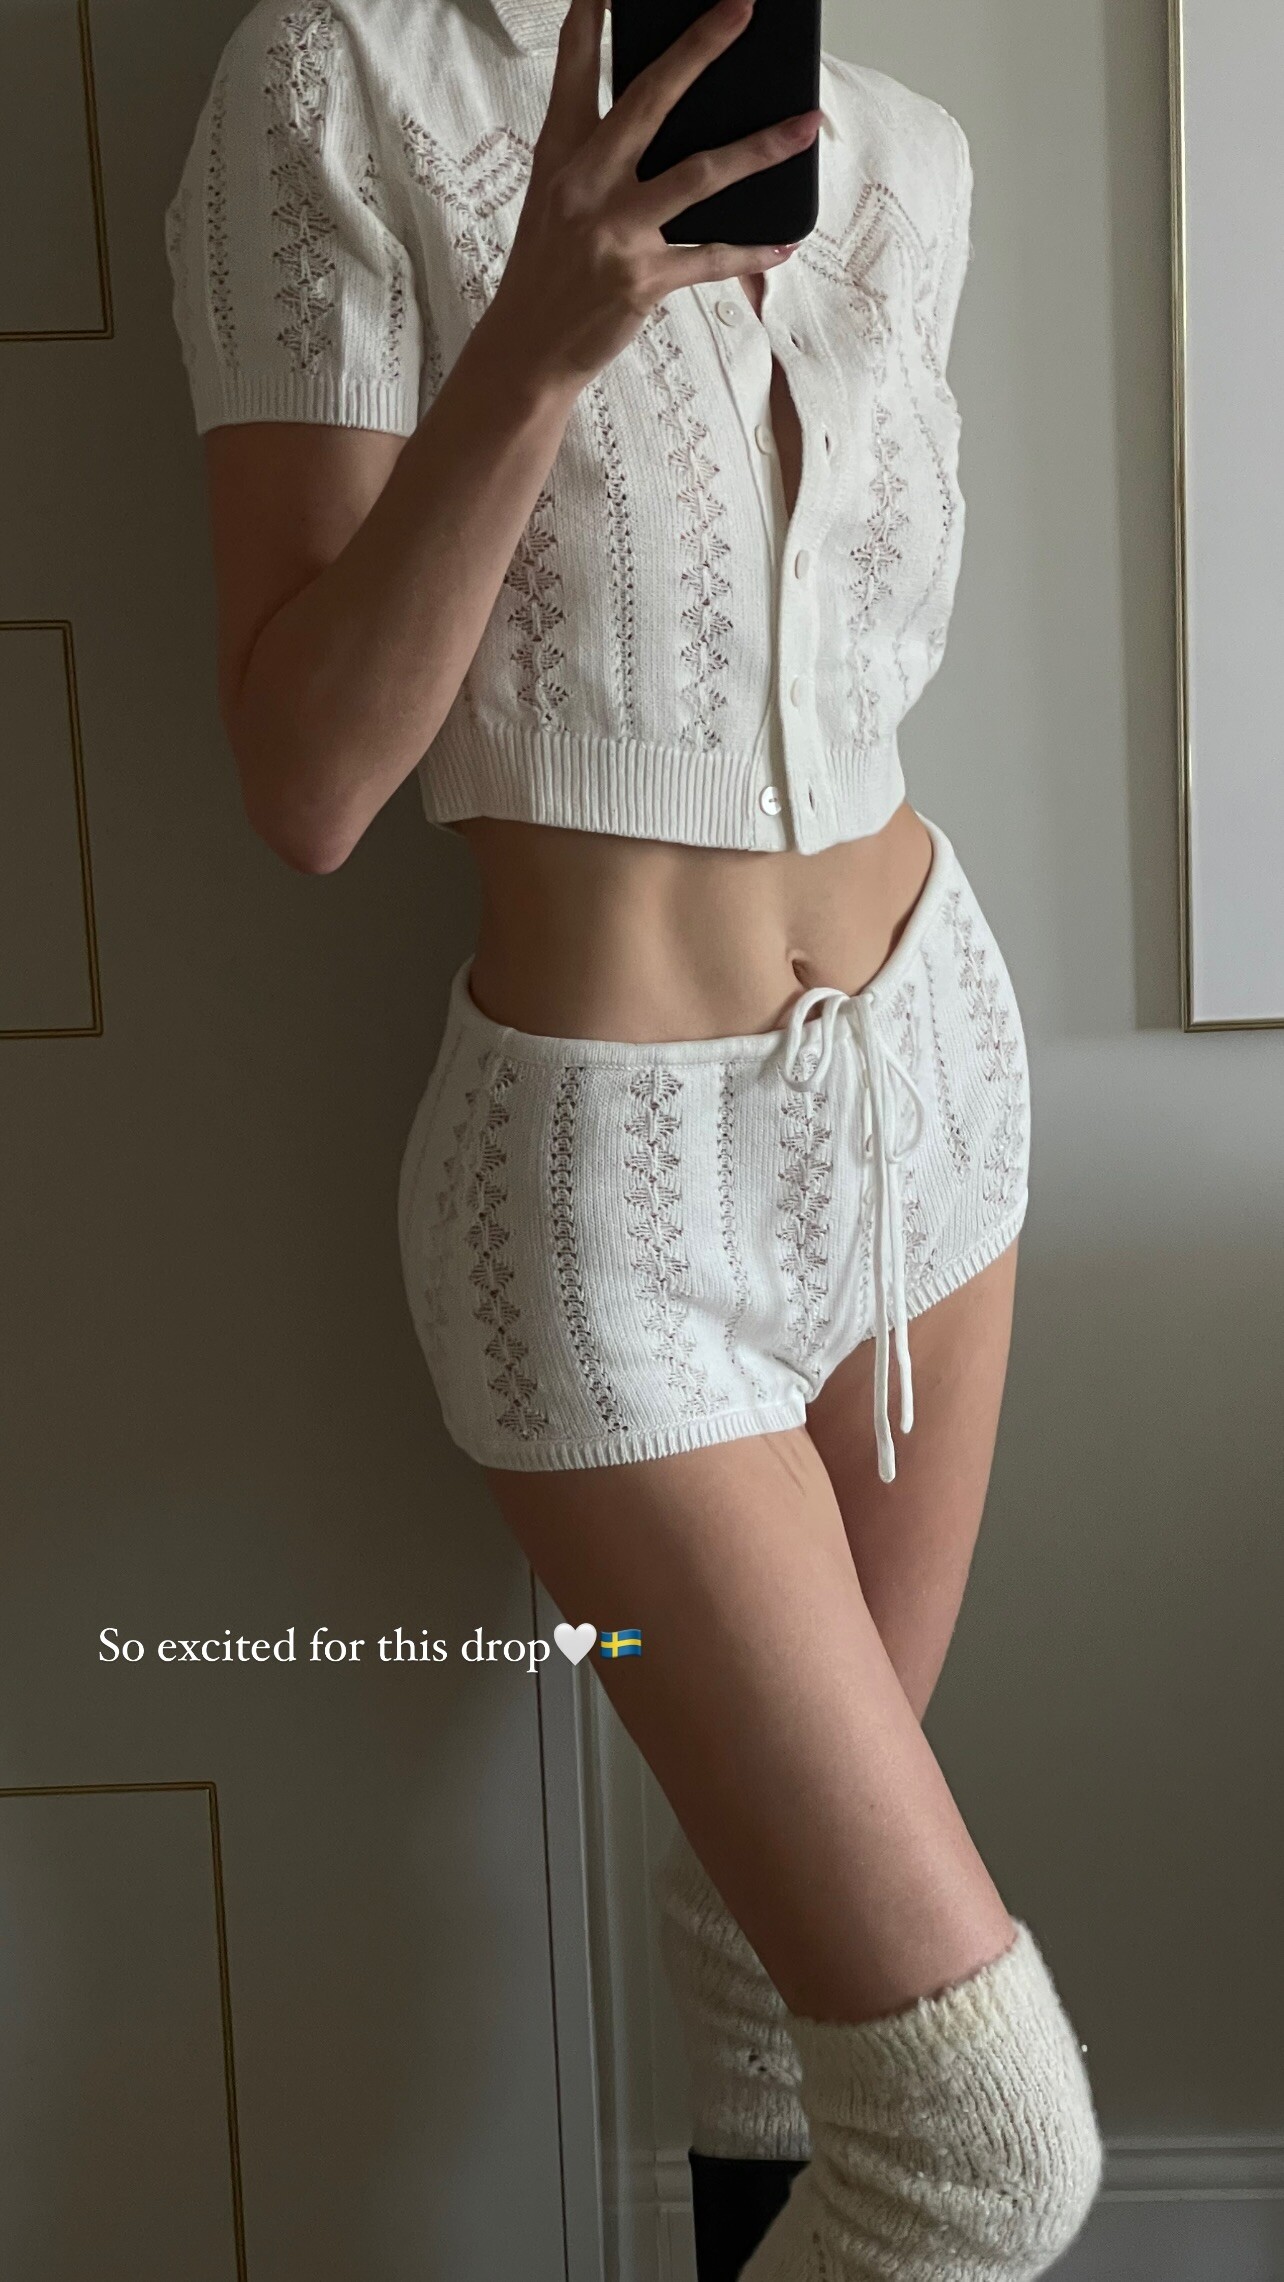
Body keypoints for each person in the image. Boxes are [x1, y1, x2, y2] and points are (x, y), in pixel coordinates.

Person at [165, 0, 1104, 2271]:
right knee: (984, 2159)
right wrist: (537, 341)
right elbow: (309, 788)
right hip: (606, 1216)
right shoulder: (341, 79)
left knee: (779, 1960)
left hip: (928, 1097)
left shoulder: (903, 153)